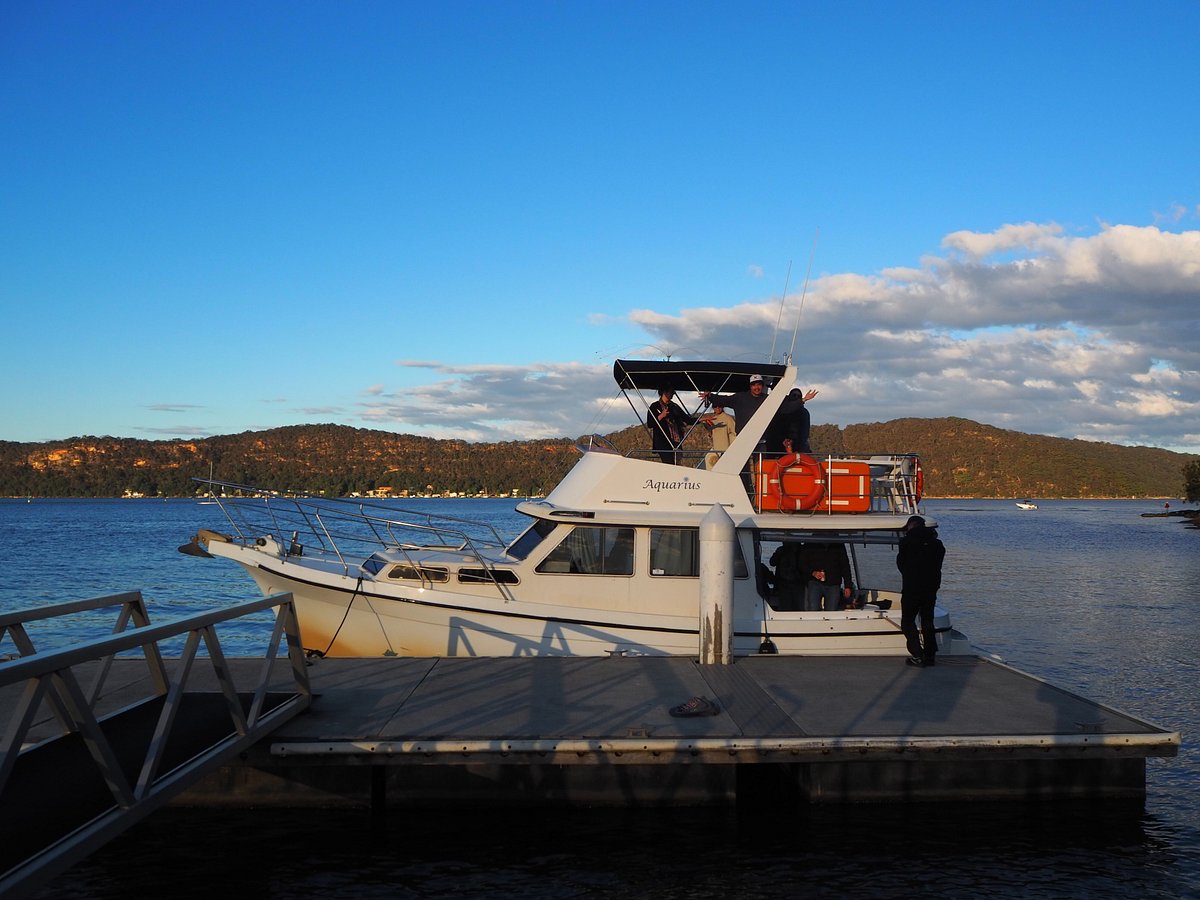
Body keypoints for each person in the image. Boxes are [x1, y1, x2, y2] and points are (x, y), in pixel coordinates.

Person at [896, 514, 946, 667]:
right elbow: (938, 564)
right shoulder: (938, 544)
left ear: (911, 527)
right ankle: (930, 656)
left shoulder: (906, 542)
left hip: (912, 588)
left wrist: (910, 575)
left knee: (908, 622)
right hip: (931, 588)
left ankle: (917, 654)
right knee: (927, 621)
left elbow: (901, 564)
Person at [797, 542, 854, 611]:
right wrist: (813, 573)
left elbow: (845, 566)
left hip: (834, 583)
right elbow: (802, 563)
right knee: (812, 609)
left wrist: (848, 585)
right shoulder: (811, 542)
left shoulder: (838, 543)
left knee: (831, 612)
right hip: (814, 582)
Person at [645, 387, 695, 465]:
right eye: (671, 392)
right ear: (664, 392)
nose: (673, 394)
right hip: (663, 442)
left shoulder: (674, 406)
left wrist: (702, 419)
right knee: (669, 464)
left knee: (677, 464)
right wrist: (661, 416)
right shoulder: (654, 406)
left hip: (675, 441)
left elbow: (687, 419)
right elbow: (650, 423)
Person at [765, 387, 818, 455]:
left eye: (798, 396)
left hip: (796, 445)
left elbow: (804, 433)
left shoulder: (804, 413)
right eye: (794, 395)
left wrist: (801, 449)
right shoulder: (781, 409)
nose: (796, 397)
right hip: (778, 445)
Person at [769, 542, 806, 610]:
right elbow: (772, 562)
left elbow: (805, 566)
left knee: (799, 607)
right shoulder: (781, 550)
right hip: (783, 583)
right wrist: (778, 554)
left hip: (798, 583)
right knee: (785, 607)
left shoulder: (801, 551)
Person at [700, 402, 737, 469]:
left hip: (726, 450)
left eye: (719, 406)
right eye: (715, 406)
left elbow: (734, 433)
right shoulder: (712, 418)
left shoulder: (728, 418)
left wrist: (733, 450)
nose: (717, 408)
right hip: (715, 449)